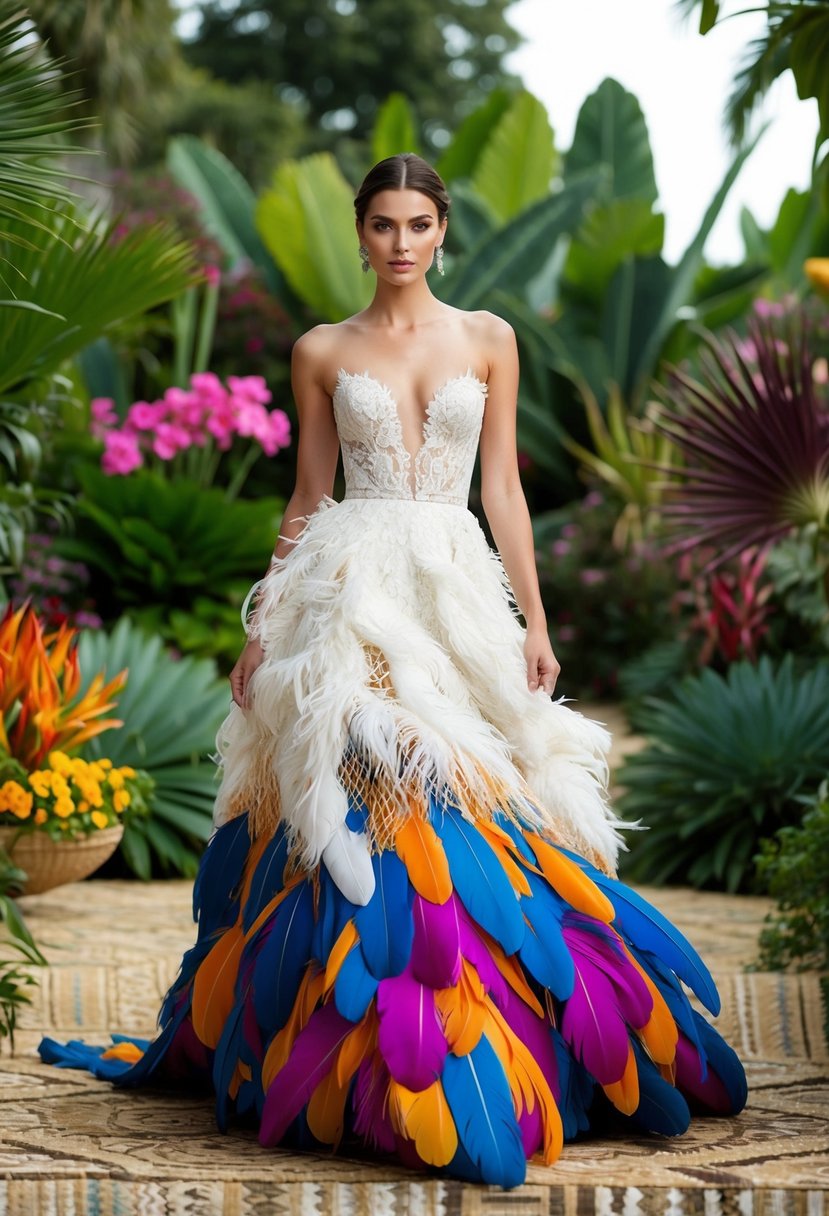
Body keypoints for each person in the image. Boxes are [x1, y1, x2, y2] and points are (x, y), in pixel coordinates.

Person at [38, 153, 747, 1189]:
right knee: (363, 782)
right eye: (382, 225)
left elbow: (502, 491)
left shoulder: (489, 339)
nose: (401, 242)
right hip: (347, 589)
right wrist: (260, 624)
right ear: (362, 232)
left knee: (473, 790)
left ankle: (494, 1029)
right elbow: (305, 495)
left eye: (418, 224)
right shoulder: (322, 348)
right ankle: (362, 1036)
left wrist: (535, 624)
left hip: (452, 590)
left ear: (443, 230)